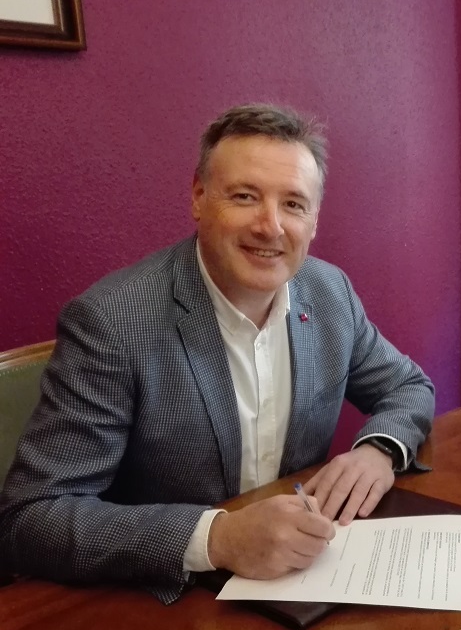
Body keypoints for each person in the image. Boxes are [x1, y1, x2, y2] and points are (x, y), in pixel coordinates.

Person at [0, 104, 435, 603]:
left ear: (314, 220)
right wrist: (217, 538)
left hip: (305, 577)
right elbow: (31, 517)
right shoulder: (112, 322)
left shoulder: (329, 293)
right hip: (168, 602)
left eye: (294, 204)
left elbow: (408, 387)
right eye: (245, 197)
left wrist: (379, 450)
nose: (270, 226)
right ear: (199, 197)